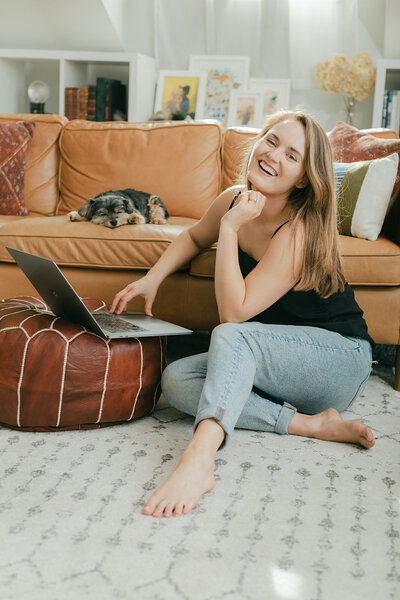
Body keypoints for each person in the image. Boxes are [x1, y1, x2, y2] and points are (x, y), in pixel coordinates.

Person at [111, 109, 375, 519]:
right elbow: (194, 235)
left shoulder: (299, 229)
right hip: (272, 361)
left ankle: (200, 457)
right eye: (271, 141)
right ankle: (308, 424)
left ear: (304, 177)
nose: (274, 156)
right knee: (177, 380)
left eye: (292, 155)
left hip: (337, 358)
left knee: (230, 336)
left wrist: (231, 230)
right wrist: (152, 278)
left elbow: (233, 316)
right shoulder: (233, 199)